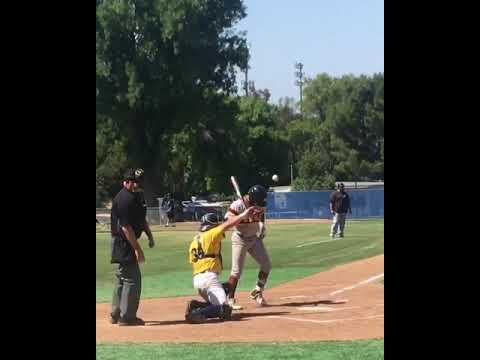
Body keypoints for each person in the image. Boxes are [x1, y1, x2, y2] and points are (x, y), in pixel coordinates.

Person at [185, 207, 257, 324]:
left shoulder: (194, 241)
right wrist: (243, 215)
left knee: (226, 288)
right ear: (211, 225)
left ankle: (196, 306)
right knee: (225, 309)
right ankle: (196, 314)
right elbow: (227, 225)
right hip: (209, 279)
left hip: (198, 281)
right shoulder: (210, 234)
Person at [109, 168, 155, 326]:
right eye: (134, 182)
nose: (137, 185)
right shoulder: (123, 199)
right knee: (132, 279)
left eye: (139, 182)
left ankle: (115, 313)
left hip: (128, 240)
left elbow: (141, 219)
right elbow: (125, 228)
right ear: (126, 182)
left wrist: (149, 235)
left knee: (122, 277)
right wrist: (137, 249)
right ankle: (127, 317)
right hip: (123, 242)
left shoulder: (137, 196)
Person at [224, 185, 271, 310]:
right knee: (236, 271)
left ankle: (257, 291)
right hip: (240, 238)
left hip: (254, 238)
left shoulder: (260, 204)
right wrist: (242, 216)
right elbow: (227, 221)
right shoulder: (237, 205)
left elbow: (261, 215)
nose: (262, 203)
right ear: (254, 199)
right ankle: (229, 299)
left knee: (266, 265)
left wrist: (261, 225)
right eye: (260, 200)